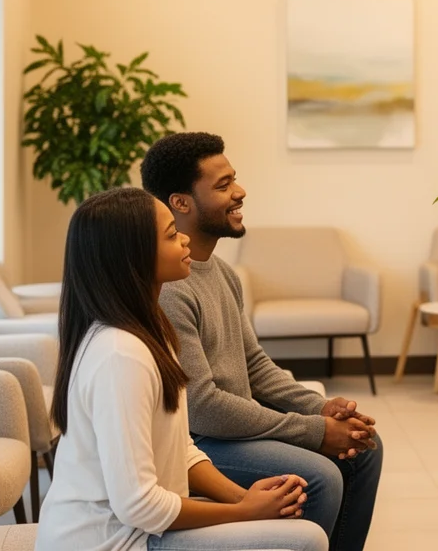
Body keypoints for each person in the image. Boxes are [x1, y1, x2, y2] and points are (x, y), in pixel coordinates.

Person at [38, 187, 327, 551]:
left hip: (142, 528)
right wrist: (245, 513)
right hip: (115, 541)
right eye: (172, 234)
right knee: (306, 540)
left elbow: (180, 447)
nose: (185, 239)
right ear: (135, 256)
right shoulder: (120, 354)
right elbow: (139, 506)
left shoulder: (151, 328)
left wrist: (241, 498)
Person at [141, 132, 382, 551]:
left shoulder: (221, 273)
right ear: (181, 203)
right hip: (202, 442)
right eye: (223, 185)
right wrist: (313, 431)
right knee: (319, 477)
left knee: (364, 448)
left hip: (232, 430)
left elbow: (255, 365)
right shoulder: (172, 289)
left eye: (234, 179)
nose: (240, 192)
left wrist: (320, 408)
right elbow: (202, 408)